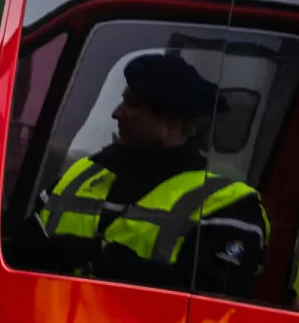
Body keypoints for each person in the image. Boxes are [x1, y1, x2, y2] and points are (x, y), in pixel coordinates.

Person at [32, 53, 267, 294]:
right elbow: (18, 250)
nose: (116, 113)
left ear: (172, 122)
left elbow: (211, 301)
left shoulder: (229, 207)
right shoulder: (83, 173)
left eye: (132, 104)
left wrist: (104, 256)